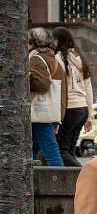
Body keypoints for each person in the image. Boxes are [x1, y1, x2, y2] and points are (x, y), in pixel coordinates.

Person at [53, 27, 94, 167]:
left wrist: (56, 115)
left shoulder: (58, 58)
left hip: (69, 108)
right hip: (82, 108)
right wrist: (89, 116)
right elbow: (88, 88)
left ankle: (82, 173)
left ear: (57, 41)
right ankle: (77, 178)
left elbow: (58, 88)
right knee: (69, 150)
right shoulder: (80, 58)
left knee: (61, 149)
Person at [28, 27, 66, 166]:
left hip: (39, 110)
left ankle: (60, 182)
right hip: (50, 110)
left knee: (50, 150)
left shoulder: (36, 59)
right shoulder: (54, 59)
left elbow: (42, 84)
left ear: (34, 42)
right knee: (32, 148)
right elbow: (63, 89)